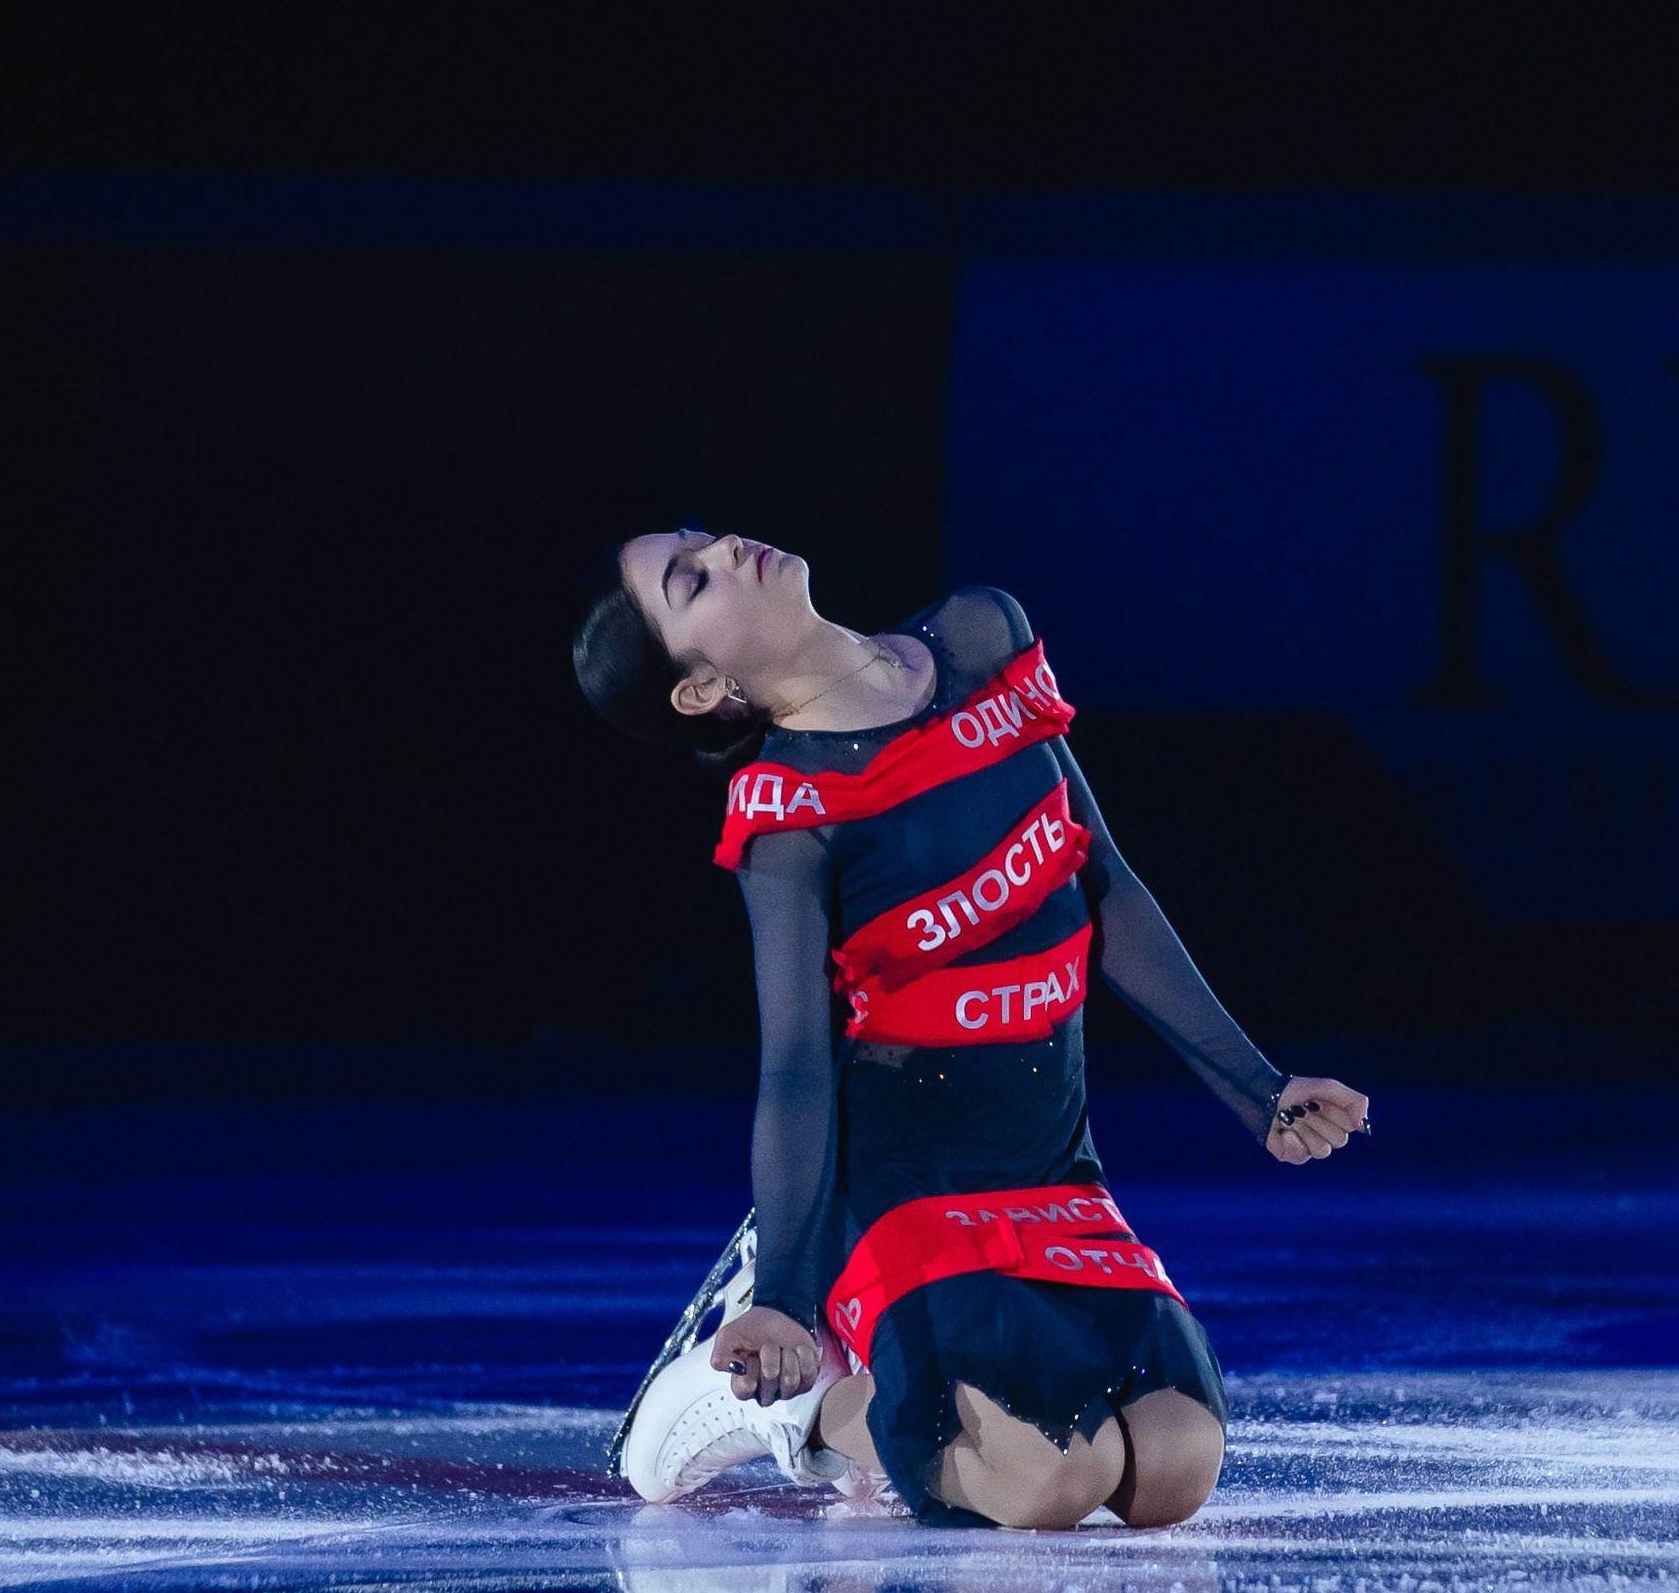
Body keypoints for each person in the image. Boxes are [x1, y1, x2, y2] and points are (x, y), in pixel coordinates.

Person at [574, 530, 1366, 1531]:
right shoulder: (790, 815)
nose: (726, 546)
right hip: (906, 1182)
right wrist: (782, 1290)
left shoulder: (982, 635)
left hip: (1045, 1158)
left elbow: (1100, 882)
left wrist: (1254, 1086)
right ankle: (809, 1416)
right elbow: (796, 1069)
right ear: (701, 691)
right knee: (1044, 1485)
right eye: (693, 581)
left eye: (700, 538)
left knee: (1170, 1470)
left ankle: (883, 1385)